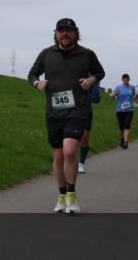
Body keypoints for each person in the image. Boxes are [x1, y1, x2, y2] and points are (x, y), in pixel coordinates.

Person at [27, 17, 106, 214]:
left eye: (68, 31)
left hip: (77, 110)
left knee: (70, 150)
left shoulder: (86, 54)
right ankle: (61, 195)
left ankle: (72, 194)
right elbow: (32, 74)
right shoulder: (47, 54)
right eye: (61, 30)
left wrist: (90, 81)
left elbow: (100, 72)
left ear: (75, 33)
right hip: (54, 112)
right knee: (58, 156)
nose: (64, 34)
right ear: (56, 33)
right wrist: (37, 83)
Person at [107, 73, 137, 150]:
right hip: (120, 110)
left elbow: (134, 96)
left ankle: (126, 142)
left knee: (127, 125)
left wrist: (134, 97)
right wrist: (115, 94)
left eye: (127, 78)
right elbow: (112, 97)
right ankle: (122, 139)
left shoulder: (132, 87)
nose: (126, 80)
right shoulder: (118, 87)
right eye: (124, 79)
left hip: (129, 110)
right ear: (122, 79)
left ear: (129, 79)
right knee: (121, 127)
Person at [78, 76, 100, 172]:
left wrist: (83, 93)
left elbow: (97, 98)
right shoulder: (70, 71)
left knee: (84, 138)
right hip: (68, 109)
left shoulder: (92, 78)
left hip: (85, 110)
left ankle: (81, 163)